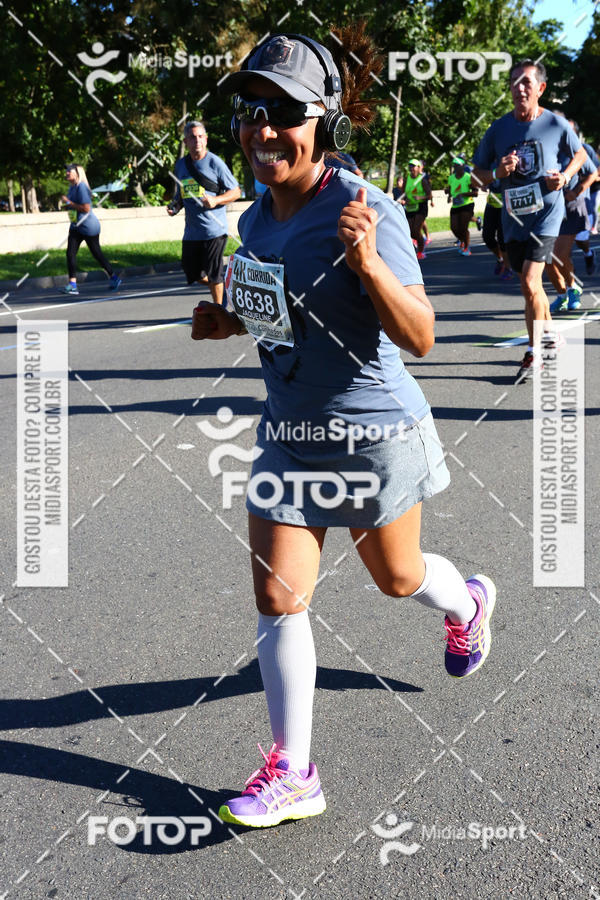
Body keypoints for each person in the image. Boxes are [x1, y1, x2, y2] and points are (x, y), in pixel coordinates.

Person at [192, 27, 495, 830]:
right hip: (289, 433)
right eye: (250, 112)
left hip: (371, 435)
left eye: (283, 112)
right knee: (277, 597)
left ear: (323, 120)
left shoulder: (368, 208)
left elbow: (421, 336)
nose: (262, 130)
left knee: (397, 580)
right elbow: (275, 318)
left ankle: (465, 603)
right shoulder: (254, 220)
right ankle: (295, 772)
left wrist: (369, 268)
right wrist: (225, 318)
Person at [472, 59, 587, 381]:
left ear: (540, 88)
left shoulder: (555, 124)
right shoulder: (498, 129)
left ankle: (535, 353)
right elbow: (476, 177)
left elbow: (581, 156)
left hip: (548, 215)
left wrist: (564, 176)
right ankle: (552, 334)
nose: (519, 87)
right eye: (514, 81)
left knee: (528, 280)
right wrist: (497, 172)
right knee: (530, 286)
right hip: (514, 219)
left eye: (526, 82)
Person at [167, 120, 241, 304]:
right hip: (192, 232)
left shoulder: (215, 163)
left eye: (200, 136)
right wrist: (175, 206)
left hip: (214, 230)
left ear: (206, 139)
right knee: (192, 273)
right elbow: (181, 195)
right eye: (192, 137)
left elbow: (236, 191)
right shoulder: (181, 166)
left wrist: (216, 200)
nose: (197, 141)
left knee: (214, 273)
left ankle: (219, 310)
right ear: (185, 142)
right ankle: (222, 291)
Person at [59, 164, 121, 295]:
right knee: (70, 253)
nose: (67, 173)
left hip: (88, 227)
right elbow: (73, 206)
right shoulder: (72, 187)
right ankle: (73, 285)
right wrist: (67, 205)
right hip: (76, 225)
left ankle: (114, 278)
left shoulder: (82, 187)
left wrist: (69, 203)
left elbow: (86, 208)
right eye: (67, 171)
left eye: (69, 171)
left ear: (77, 173)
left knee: (97, 254)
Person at [445, 157, 478, 256]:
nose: (455, 167)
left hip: (467, 204)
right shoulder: (451, 178)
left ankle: (467, 248)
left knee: (463, 227)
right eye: (454, 165)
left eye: (457, 165)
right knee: (454, 227)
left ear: (462, 166)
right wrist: (448, 194)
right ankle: (462, 241)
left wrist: (463, 194)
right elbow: (450, 189)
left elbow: (475, 193)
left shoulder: (468, 177)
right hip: (455, 205)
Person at [482, 179, 513, 280]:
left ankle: (508, 268)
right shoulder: (491, 163)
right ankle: (501, 259)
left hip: (505, 205)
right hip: (491, 204)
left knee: (502, 238)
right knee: (487, 237)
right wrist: (484, 183)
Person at [403, 158, 433, 260]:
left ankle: (420, 251)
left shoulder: (422, 180)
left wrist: (420, 197)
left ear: (418, 168)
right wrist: (404, 200)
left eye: (413, 166)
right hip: (410, 207)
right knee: (410, 232)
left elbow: (429, 195)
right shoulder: (407, 179)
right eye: (410, 166)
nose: (411, 168)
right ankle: (421, 240)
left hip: (421, 207)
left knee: (416, 229)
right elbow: (403, 194)